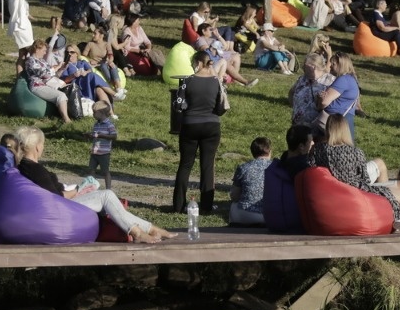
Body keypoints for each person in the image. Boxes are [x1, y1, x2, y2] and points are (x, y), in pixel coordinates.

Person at [15, 126, 174, 243]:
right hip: (60, 210)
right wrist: (78, 190)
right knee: (106, 196)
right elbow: (55, 198)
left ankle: (150, 229)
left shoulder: (25, 166)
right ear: (38, 147)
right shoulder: (36, 170)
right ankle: (138, 233)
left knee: (105, 197)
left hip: (55, 208)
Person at [307, 114, 400, 234]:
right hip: (357, 191)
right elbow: (364, 178)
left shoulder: (318, 150)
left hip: (336, 191)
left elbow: (312, 167)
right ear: (345, 130)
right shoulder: (355, 152)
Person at [173, 52, 224, 214]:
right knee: (207, 166)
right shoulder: (217, 82)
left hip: (190, 125)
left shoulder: (187, 81)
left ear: (199, 62)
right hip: (212, 126)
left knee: (185, 165)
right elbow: (221, 107)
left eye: (193, 62)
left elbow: (178, 105)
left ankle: (178, 205)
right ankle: (207, 207)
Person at [23, 38, 72, 122]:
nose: (45, 53)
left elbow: (53, 74)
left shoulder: (42, 61)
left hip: (48, 84)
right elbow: (43, 74)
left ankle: (71, 114)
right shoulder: (31, 61)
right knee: (61, 96)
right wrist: (57, 67)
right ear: (37, 49)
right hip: (38, 86)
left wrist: (61, 68)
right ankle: (66, 119)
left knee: (70, 89)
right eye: (44, 50)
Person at [229, 137, 273, 226]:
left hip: (246, 214)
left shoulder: (243, 168)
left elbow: (234, 195)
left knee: (234, 204)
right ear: (269, 151)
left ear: (252, 152)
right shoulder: (277, 167)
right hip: (272, 215)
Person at [317, 52, 360, 141]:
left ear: (341, 64)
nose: (330, 66)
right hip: (344, 119)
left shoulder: (343, 80)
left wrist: (320, 101)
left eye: (333, 64)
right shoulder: (351, 79)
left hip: (335, 121)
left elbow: (324, 102)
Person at [61, 44, 120, 108]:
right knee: (91, 75)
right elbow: (64, 80)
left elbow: (90, 69)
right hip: (77, 85)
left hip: (88, 82)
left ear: (76, 54)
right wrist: (73, 75)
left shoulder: (82, 62)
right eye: (67, 52)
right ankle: (114, 94)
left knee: (99, 89)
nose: (69, 54)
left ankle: (110, 111)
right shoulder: (65, 65)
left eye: (72, 52)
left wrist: (85, 72)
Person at [289, 52, 335, 129]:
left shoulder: (330, 81)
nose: (303, 67)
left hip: (318, 126)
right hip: (297, 125)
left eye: (305, 65)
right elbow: (291, 93)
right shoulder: (302, 79)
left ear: (313, 67)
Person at [82, 26, 126, 99]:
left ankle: (118, 88)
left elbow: (110, 55)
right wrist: (90, 60)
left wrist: (110, 61)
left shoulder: (106, 44)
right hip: (96, 65)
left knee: (113, 66)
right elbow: (83, 55)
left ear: (101, 35)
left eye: (95, 33)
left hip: (105, 63)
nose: (92, 35)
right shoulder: (90, 44)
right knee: (103, 66)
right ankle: (116, 87)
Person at [88, 101, 116, 189]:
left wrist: (101, 135)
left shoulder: (109, 125)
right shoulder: (96, 124)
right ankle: (92, 187)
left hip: (104, 153)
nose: (93, 114)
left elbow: (114, 136)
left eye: (94, 112)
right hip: (94, 152)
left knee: (105, 171)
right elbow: (95, 135)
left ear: (101, 113)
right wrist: (90, 135)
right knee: (91, 170)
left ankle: (108, 188)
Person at [8, 0, 35, 64]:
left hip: (24, 25)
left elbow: (25, 10)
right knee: (31, 49)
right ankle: (33, 67)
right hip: (19, 26)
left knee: (23, 52)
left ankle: (23, 71)